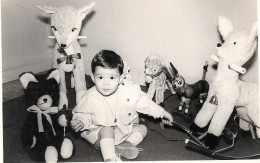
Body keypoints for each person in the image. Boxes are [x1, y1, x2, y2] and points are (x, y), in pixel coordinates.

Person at [71, 50, 173, 161]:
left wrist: (162, 113)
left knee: (143, 129)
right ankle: (110, 158)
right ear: (92, 77)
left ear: (120, 78)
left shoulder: (128, 90)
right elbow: (82, 113)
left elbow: (145, 103)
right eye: (100, 77)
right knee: (107, 129)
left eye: (112, 78)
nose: (106, 83)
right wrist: (81, 121)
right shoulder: (90, 97)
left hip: (121, 130)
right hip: (98, 134)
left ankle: (125, 145)